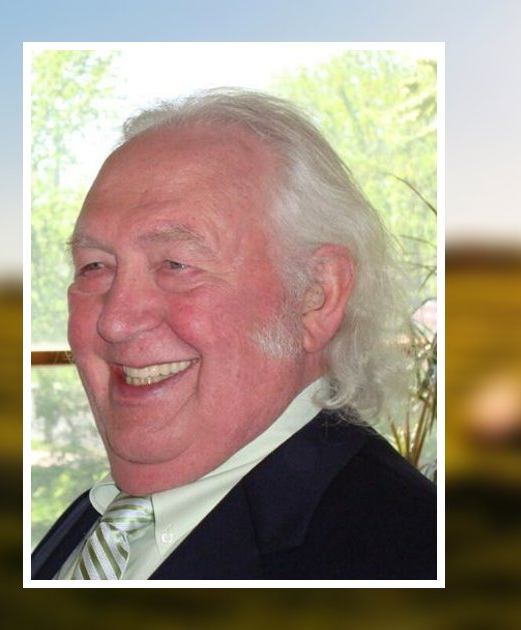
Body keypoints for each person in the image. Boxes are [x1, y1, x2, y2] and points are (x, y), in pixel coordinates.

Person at [30, 88, 438, 580]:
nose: (114, 321)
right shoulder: (102, 517)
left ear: (316, 296)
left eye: (176, 264)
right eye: (94, 266)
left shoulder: (403, 557)